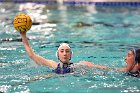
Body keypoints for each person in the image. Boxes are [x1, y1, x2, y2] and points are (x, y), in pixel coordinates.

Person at [20, 32, 107, 74]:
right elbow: (32, 55)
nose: (65, 53)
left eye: (67, 51)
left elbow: (105, 68)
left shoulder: (81, 65)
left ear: (71, 55)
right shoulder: (53, 65)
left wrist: (120, 69)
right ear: (57, 54)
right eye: (62, 51)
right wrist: (23, 35)